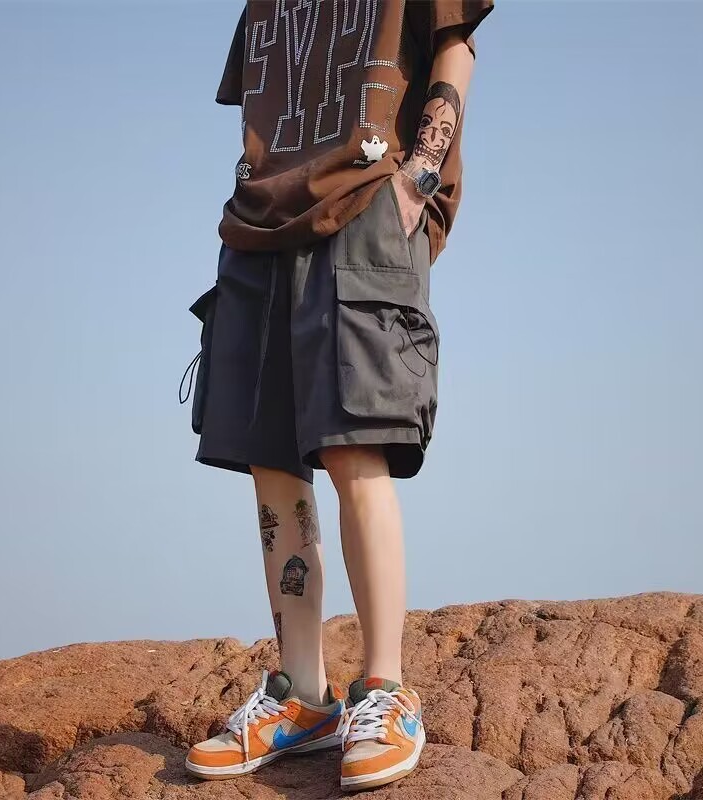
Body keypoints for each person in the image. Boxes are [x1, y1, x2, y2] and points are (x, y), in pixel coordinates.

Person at [180, 0, 493, 791]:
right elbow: (267, 99)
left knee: (355, 445)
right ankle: (303, 696)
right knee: (269, 461)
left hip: (368, 202)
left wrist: (419, 179)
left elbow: (456, 48)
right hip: (259, 224)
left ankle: (385, 689)